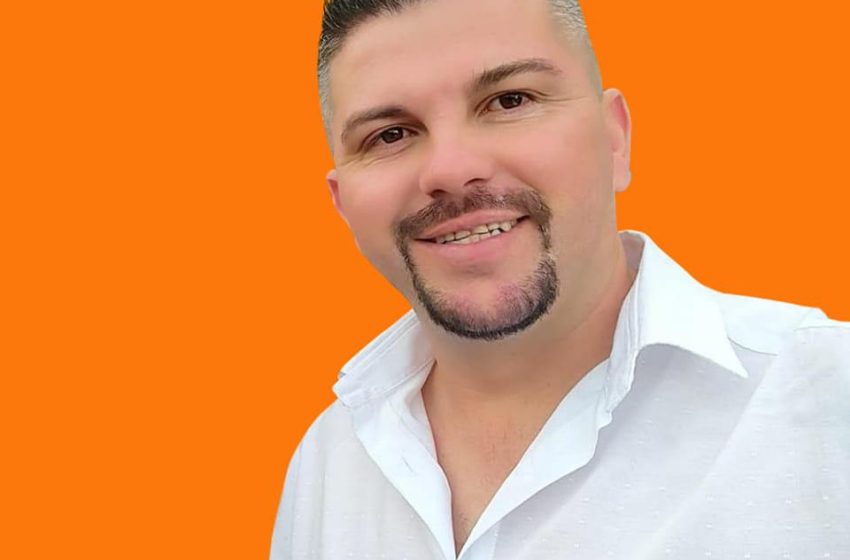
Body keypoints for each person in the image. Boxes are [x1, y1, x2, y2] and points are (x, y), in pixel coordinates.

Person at [271, 0, 849, 558]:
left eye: (509, 100)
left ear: (614, 138)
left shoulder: (828, 401)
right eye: (390, 134)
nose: (451, 168)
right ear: (343, 204)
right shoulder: (329, 463)